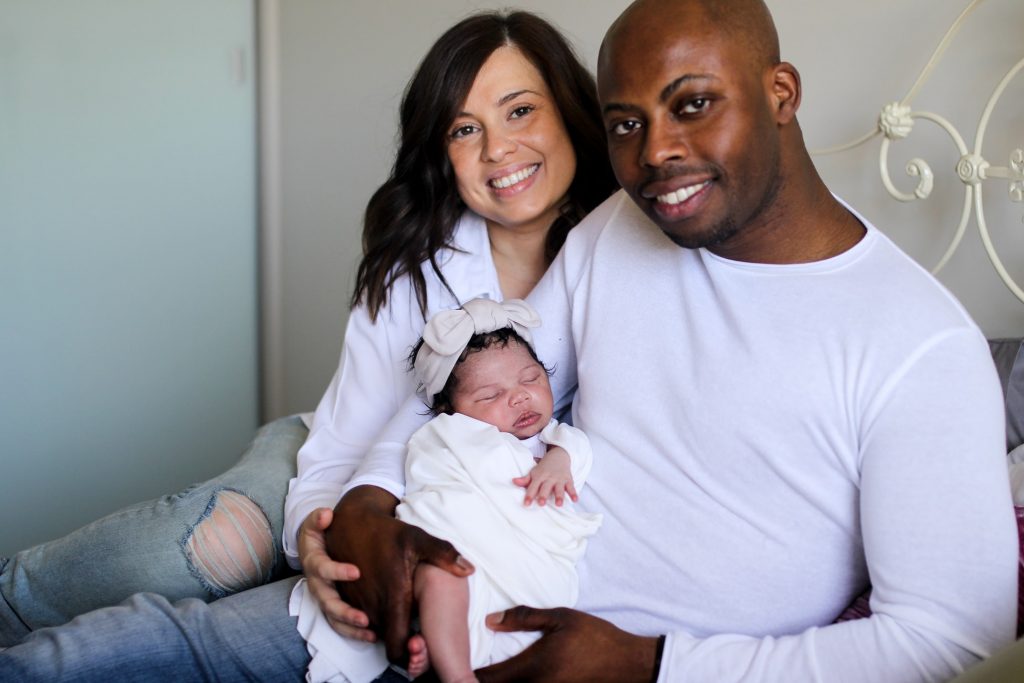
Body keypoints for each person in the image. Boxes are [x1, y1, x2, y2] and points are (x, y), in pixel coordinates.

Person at [0, 1, 1018, 681]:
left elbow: (953, 634)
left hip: (584, 645)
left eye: (692, 105)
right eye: (626, 122)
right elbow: (491, 387)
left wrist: (649, 662)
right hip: (451, 564)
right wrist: (361, 503)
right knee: (174, 631)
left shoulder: (915, 343)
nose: (656, 153)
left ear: (781, 95)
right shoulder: (624, 228)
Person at [0, 7, 615, 651]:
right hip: (328, 449)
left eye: (520, 111)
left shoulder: (625, 255)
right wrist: (318, 543)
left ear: (569, 111)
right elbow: (348, 436)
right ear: (443, 151)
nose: (497, 150)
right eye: (465, 129)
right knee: (216, 545)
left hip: (440, 494)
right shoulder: (418, 260)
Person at [294, 298, 600, 683]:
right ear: (451, 411)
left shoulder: (551, 440)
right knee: (441, 576)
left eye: (531, 378)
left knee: (506, 621)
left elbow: (577, 449)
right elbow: (425, 485)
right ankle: (455, 672)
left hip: (523, 559)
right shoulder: (446, 437)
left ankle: (437, 645)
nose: (519, 396)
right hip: (455, 549)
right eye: (489, 395)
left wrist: (558, 461)